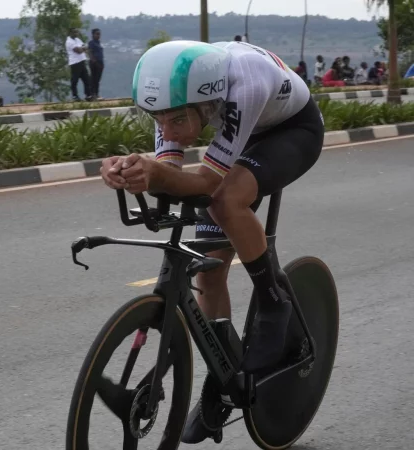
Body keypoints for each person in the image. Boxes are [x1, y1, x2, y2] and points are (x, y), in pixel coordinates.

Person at [101, 39, 324, 444]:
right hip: (245, 134)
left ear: (206, 105)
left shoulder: (243, 86)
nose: (167, 130)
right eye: (157, 120)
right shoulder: (177, 98)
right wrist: (131, 171)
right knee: (210, 269)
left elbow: (204, 181)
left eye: (176, 122)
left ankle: (274, 302)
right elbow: (169, 174)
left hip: (292, 130)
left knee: (226, 201)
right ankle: (225, 376)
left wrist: (153, 173)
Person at [66, 28, 92, 102]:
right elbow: (78, 51)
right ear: (70, 33)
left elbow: (84, 47)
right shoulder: (69, 42)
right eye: (74, 32)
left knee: (87, 79)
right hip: (75, 63)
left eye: (77, 32)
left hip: (82, 61)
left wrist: (83, 48)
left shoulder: (77, 40)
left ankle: (88, 95)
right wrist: (84, 48)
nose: (76, 33)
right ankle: (75, 96)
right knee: (74, 80)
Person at [88, 28, 105, 100]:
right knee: (94, 79)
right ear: (93, 35)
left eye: (99, 34)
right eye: (97, 34)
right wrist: (94, 61)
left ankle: (96, 94)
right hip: (95, 63)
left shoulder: (98, 43)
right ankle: (93, 94)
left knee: (98, 79)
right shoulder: (91, 43)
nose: (98, 35)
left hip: (100, 62)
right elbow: (90, 52)